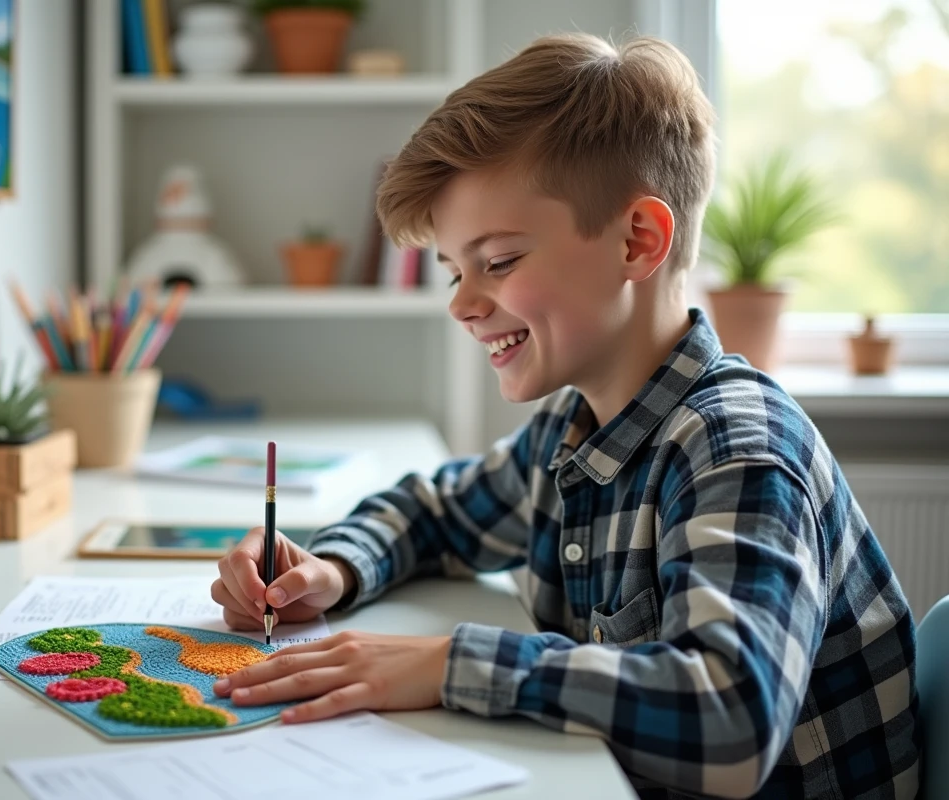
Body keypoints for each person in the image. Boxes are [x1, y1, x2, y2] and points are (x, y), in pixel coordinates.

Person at [209, 32, 920, 799]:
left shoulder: (735, 448)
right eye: (453, 270)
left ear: (637, 241)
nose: (461, 302)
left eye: (499, 261)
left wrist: (448, 664)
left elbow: (729, 716)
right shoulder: (575, 428)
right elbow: (438, 512)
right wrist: (330, 568)